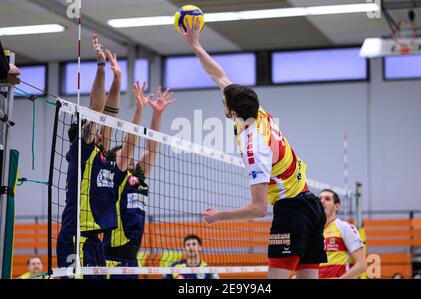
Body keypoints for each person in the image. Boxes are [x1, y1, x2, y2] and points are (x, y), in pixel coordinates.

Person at [178, 19, 327, 279]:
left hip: (291, 211)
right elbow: (218, 75)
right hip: (311, 204)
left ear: (232, 112)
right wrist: (195, 45)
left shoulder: (254, 147)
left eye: (222, 101)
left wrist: (219, 217)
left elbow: (258, 209)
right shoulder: (254, 111)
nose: (220, 98)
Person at [56, 34, 132, 278]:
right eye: (96, 130)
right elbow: (97, 109)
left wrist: (118, 81)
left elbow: (109, 115)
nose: (101, 132)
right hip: (76, 237)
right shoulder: (82, 149)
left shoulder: (100, 153)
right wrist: (101, 67)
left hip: (95, 240)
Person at [103, 82, 174, 279]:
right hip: (112, 259)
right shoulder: (115, 178)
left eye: (132, 160)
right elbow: (130, 144)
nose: (131, 160)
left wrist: (157, 114)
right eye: (126, 158)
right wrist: (138, 110)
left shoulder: (137, 178)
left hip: (131, 260)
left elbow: (151, 149)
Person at [319, 189, 367, 279]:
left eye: (327, 199)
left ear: (336, 206)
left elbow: (362, 265)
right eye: (320, 198)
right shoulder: (314, 231)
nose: (322, 201)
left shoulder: (344, 227)